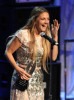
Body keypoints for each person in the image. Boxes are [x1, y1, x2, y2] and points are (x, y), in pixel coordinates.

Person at [5, 6, 60, 100]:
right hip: (23, 78)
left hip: (37, 80)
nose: (46, 22)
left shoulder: (45, 36)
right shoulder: (23, 34)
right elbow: (8, 52)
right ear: (35, 20)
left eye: (48, 19)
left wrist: (55, 37)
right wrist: (18, 69)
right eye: (43, 19)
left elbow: (53, 57)